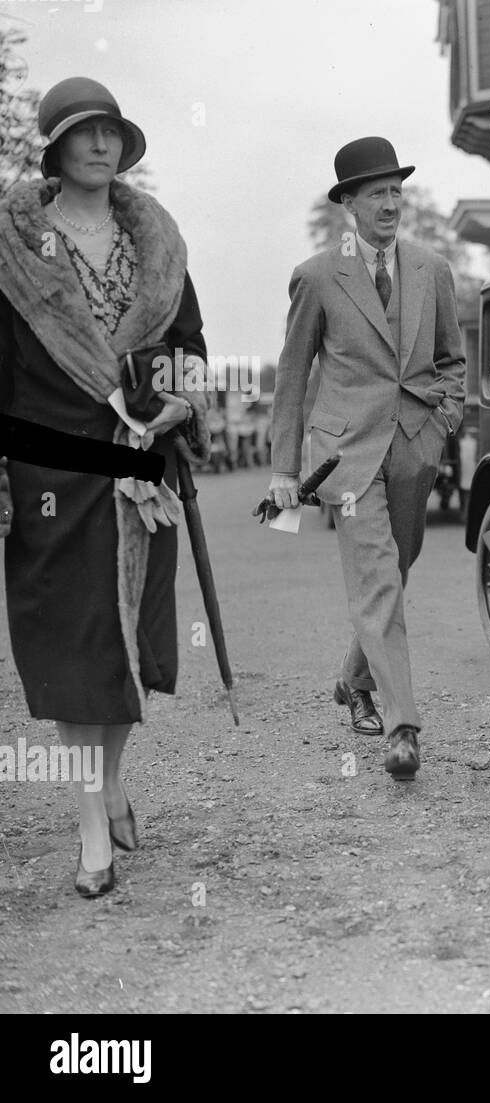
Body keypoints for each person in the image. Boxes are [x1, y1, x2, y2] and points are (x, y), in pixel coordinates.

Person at [0, 77, 211, 897]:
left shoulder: (157, 242)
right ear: (54, 148)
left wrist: (181, 404)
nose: (100, 144)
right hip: (51, 470)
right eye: (83, 132)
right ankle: (92, 831)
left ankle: (112, 779)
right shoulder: (16, 247)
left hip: (139, 473)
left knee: (130, 648)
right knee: (72, 649)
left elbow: (191, 341)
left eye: (112, 131)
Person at [268, 137, 466, 779]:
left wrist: (441, 423)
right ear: (348, 202)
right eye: (376, 192)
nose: (390, 202)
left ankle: (353, 678)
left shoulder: (433, 269)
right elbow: (293, 378)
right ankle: (403, 727)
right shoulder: (318, 276)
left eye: (396, 189)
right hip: (345, 458)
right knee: (379, 577)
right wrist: (284, 471)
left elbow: (452, 363)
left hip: (413, 448)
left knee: (398, 566)